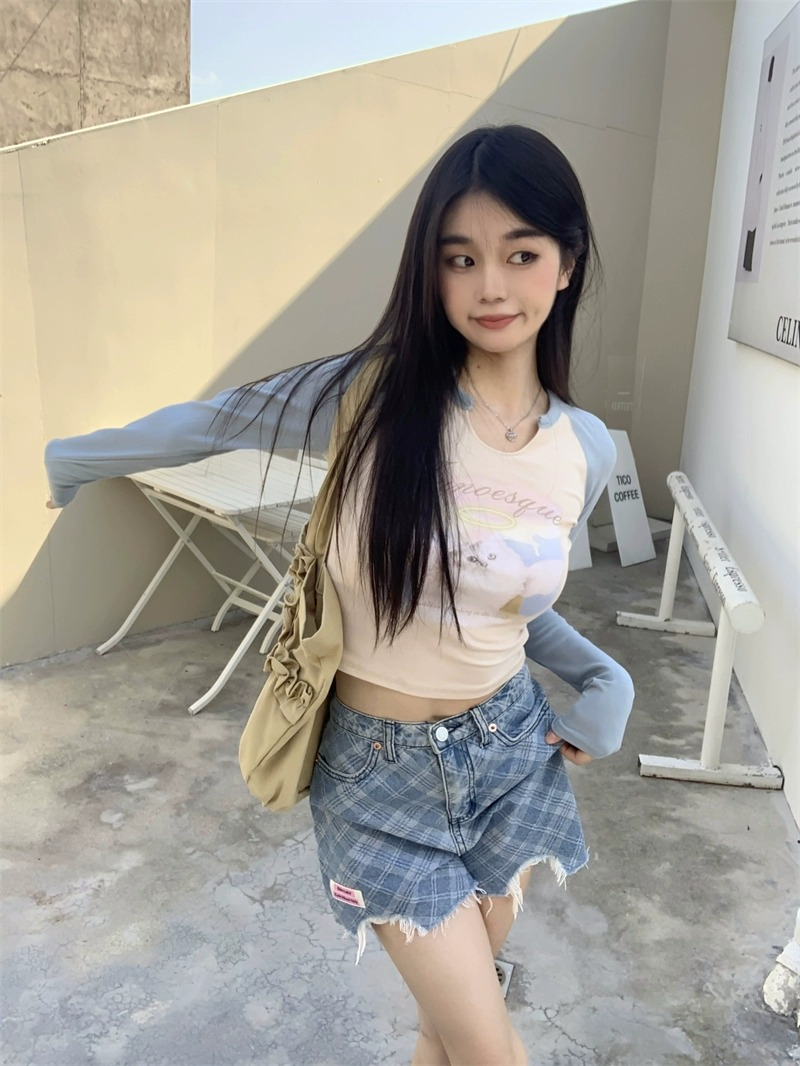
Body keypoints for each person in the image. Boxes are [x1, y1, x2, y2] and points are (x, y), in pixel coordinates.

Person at [45, 124, 635, 1066]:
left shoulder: (584, 449)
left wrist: (608, 681)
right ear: (430, 272)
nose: (491, 286)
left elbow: (511, 605)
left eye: (521, 255)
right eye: (461, 258)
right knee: (489, 1046)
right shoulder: (371, 400)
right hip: (376, 778)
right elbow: (215, 422)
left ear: (565, 265)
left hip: (510, 756)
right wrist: (76, 458)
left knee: (449, 1029)